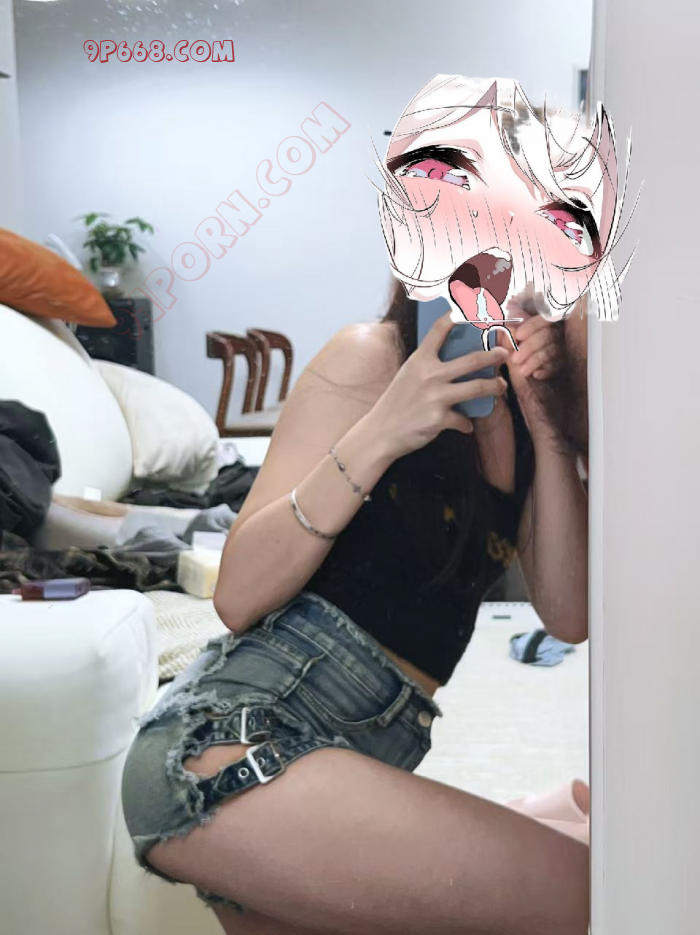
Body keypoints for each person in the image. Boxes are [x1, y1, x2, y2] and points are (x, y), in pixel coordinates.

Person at [121, 75, 626, 935]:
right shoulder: (369, 358)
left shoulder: (522, 407)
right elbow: (237, 594)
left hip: (355, 761)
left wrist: (548, 429)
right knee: (591, 896)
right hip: (229, 741)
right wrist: (386, 427)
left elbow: (568, 616)